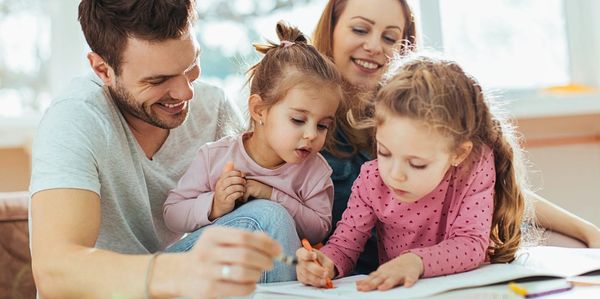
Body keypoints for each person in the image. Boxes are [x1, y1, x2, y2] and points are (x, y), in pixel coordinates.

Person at [311, 0, 600, 274]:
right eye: (360, 29)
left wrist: (587, 230)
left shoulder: (434, 120)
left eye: (389, 37)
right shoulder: (309, 123)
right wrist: (325, 261)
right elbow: (342, 245)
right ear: (331, 29)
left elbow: (504, 192)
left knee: (574, 252)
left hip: (458, 259)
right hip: (382, 272)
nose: (373, 46)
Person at [28, 1, 291, 298]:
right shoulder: (75, 119)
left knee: (270, 217)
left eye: (190, 67)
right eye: (158, 80)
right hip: (110, 291)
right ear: (103, 69)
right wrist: (177, 273)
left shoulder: (212, 107)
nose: (185, 93)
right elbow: (54, 272)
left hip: (175, 283)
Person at [296, 54, 526, 290]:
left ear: (459, 153)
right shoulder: (372, 179)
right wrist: (326, 263)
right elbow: (345, 246)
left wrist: (415, 262)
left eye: (416, 164)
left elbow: (471, 243)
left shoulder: (473, 168)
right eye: (384, 153)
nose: (395, 174)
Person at [162, 22, 343, 280]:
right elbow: (172, 215)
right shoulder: (216, 156)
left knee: (272, 215)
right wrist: (215, 205)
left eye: (323, 125)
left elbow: (318, 231)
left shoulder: (315, 170)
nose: (312, 135)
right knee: (266, 217)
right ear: (259, 110)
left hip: (263, 275)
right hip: (206, 270)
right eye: (298, 120)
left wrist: (270, 194)